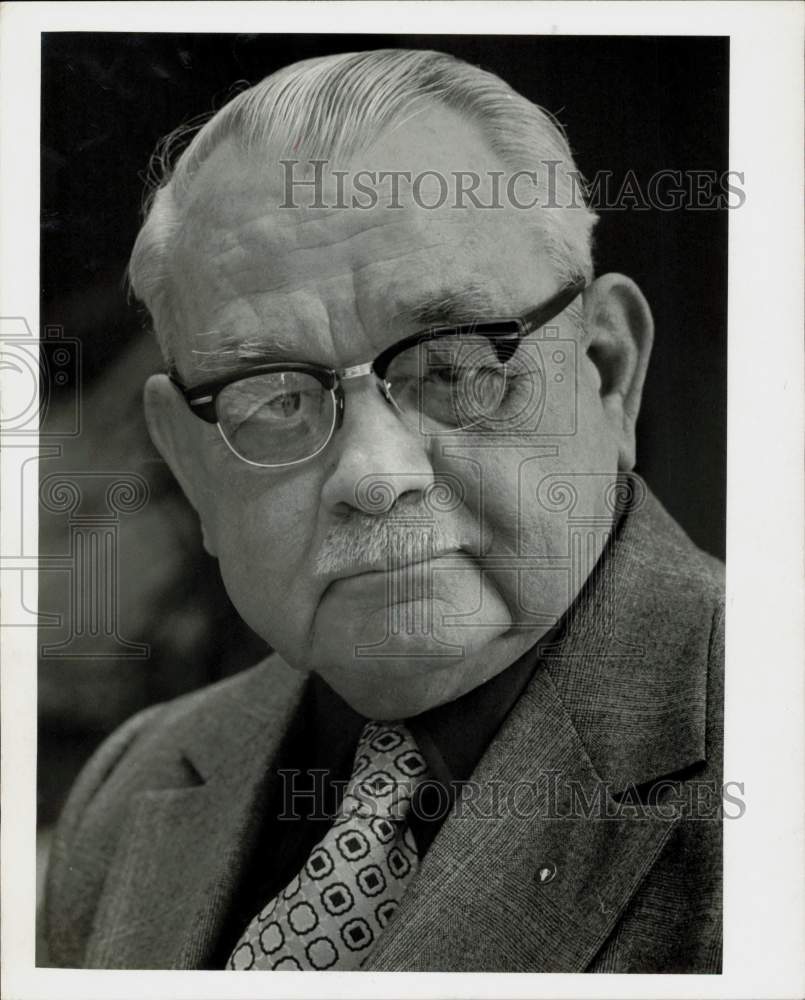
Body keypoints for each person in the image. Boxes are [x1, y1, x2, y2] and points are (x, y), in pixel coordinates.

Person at [44, 48, 724, 973]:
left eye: (451, 366)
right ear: (193, 465)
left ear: (607, 373)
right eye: (274, 398)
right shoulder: (131, 788)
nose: (372, 474)